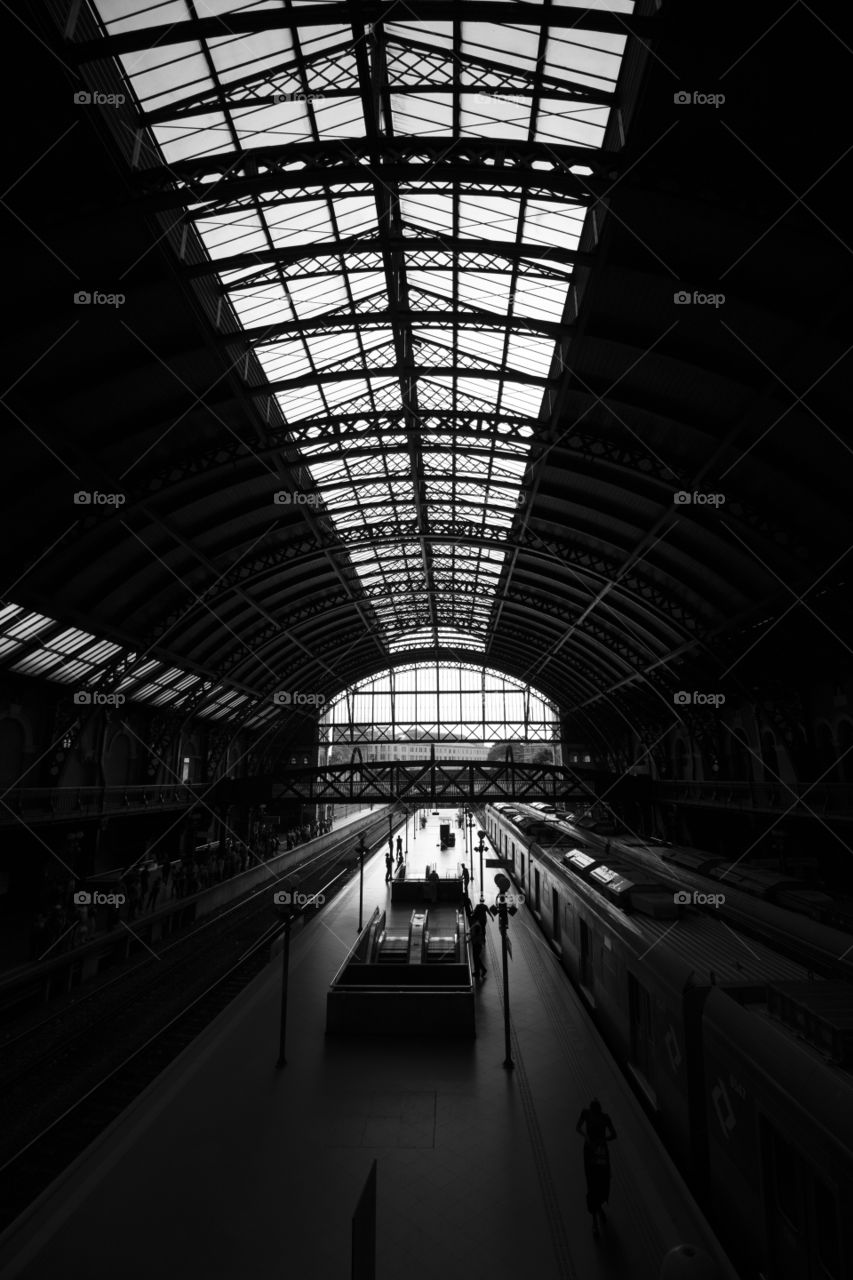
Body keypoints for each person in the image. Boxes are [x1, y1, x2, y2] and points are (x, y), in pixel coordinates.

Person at [576, 1099, 617, 1238]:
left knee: (593, 1183)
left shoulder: (586, 1114)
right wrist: (602, 1140)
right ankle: (597, 1212)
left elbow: (578, 1128)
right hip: (600, 1152)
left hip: (590, 1151)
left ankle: (596, 1213)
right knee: (599, 1182)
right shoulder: (604, 1118)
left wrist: (587, 1137)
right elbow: (613, 1134)